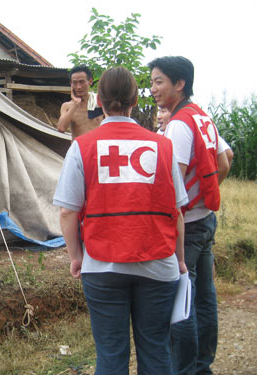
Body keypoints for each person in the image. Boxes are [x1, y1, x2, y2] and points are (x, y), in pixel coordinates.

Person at [54, 66, 188, 375]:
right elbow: (176, 212)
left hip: (101, 265)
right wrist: (179, 259)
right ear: (136, 100)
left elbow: (67, 212)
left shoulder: (82, 147)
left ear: (98, 99)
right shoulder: (163, 146)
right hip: (159, 262)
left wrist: (76, 257)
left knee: (111, 355)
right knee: (156, 350)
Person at [148, 56, 230, 375]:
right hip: (206, 219)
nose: (153, 88)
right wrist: (203, 197)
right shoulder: (202, 117)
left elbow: (172, 184)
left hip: (188, 226)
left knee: (182, 303)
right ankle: (202, 366)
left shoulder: (180, 125)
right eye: (152, 81)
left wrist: (182, 209)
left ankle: (185, 370)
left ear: (179, 84)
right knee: (205, 299)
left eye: (159, 81)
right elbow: (224, 163)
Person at [57, 65, 104, 140]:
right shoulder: (67, 106)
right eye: (75, 83)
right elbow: (61, 128)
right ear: (71, 84)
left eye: (82, 82)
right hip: (78, 150)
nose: (78, 87)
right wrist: (75, 104)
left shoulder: (99, 101)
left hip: (97, 149)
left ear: (90, 81)